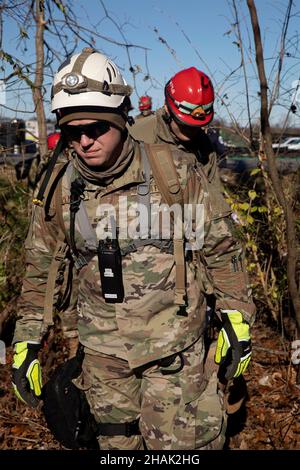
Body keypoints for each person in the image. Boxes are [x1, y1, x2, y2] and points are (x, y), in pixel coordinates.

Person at [11, 48, 255, 451]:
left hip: (176, 352)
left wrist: (237, 316)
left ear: (121, 120)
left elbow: (221, 247)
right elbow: (40, 267)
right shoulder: (58, 187)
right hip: (104, 358)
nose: (84, 141)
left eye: (95, 128)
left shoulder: (173, 170)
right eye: (73, 131)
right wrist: (27, 340)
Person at [130, 67, 226, 184]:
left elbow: (213, 193)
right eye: (184, 124)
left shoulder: (204, 146)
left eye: (197, 125)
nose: (192, 130)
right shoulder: (136, 136)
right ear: (167, 108)